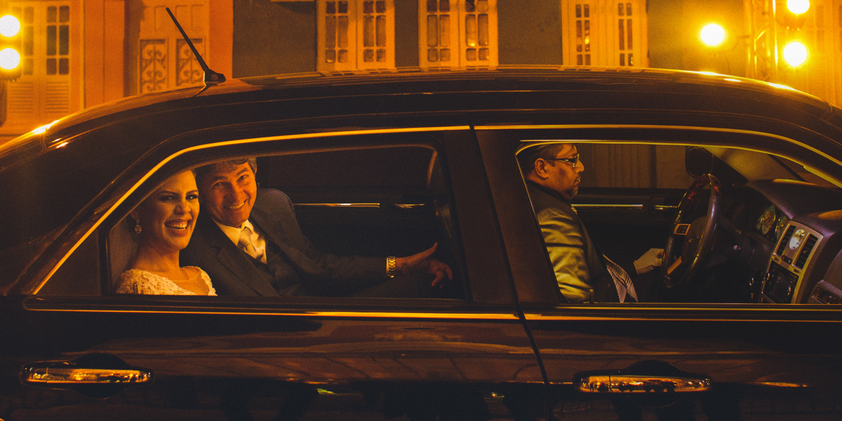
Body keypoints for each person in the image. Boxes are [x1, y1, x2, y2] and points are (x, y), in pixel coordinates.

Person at [181, 156, 452, 298]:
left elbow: (321, 265)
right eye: (220, 185)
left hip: (323, 313)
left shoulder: (272, 204)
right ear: (200, 192)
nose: (237, 194)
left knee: (423, 284)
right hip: (278, 344)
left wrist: (401, 265)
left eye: (243, 178)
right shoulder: (192, 246)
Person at [519, 143, 661, 303]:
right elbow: (576, 305)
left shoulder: (540, 200)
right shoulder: (553, 216)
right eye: (572, 159)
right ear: (542, 168)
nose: (581, 167)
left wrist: (635, 267)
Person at [116, 170, 216, 296]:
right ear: (136, 210)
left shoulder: (199, 274)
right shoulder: (139, 287)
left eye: (191, 197)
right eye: (169, 198)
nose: (184, 209)